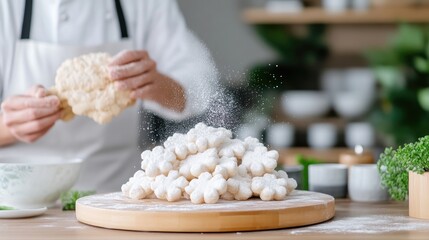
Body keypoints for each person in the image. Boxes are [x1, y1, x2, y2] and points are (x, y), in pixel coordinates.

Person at [0, 0, 218, 192]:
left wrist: (157, 85)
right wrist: (8, 127)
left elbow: (201, 89)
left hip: (115, 197)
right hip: (19, 203)